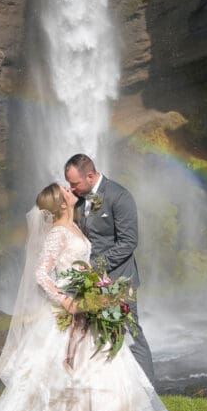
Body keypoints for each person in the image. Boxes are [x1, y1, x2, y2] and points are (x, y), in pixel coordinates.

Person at [0, 182, 174, 411]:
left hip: (86, 302)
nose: (71, 190)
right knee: (66, 372)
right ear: (62, 203)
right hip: (68, 308)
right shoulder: (57, 232)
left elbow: (82, 265)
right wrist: (66, 301)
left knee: (101, 362)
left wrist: (97, 289)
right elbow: (41, 273)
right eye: (65, 190)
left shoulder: (74, 226)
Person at [64, 153, 155, 381]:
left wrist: (95, 266)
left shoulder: (119, 196)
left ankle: (150, 394)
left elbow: (128, 243)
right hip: (92, 282)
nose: (71, 188)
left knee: (131, 334)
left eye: (74, 183)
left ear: (91, 176)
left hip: (119, 280)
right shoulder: (79, 199)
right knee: (101, 335)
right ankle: (117, 389)